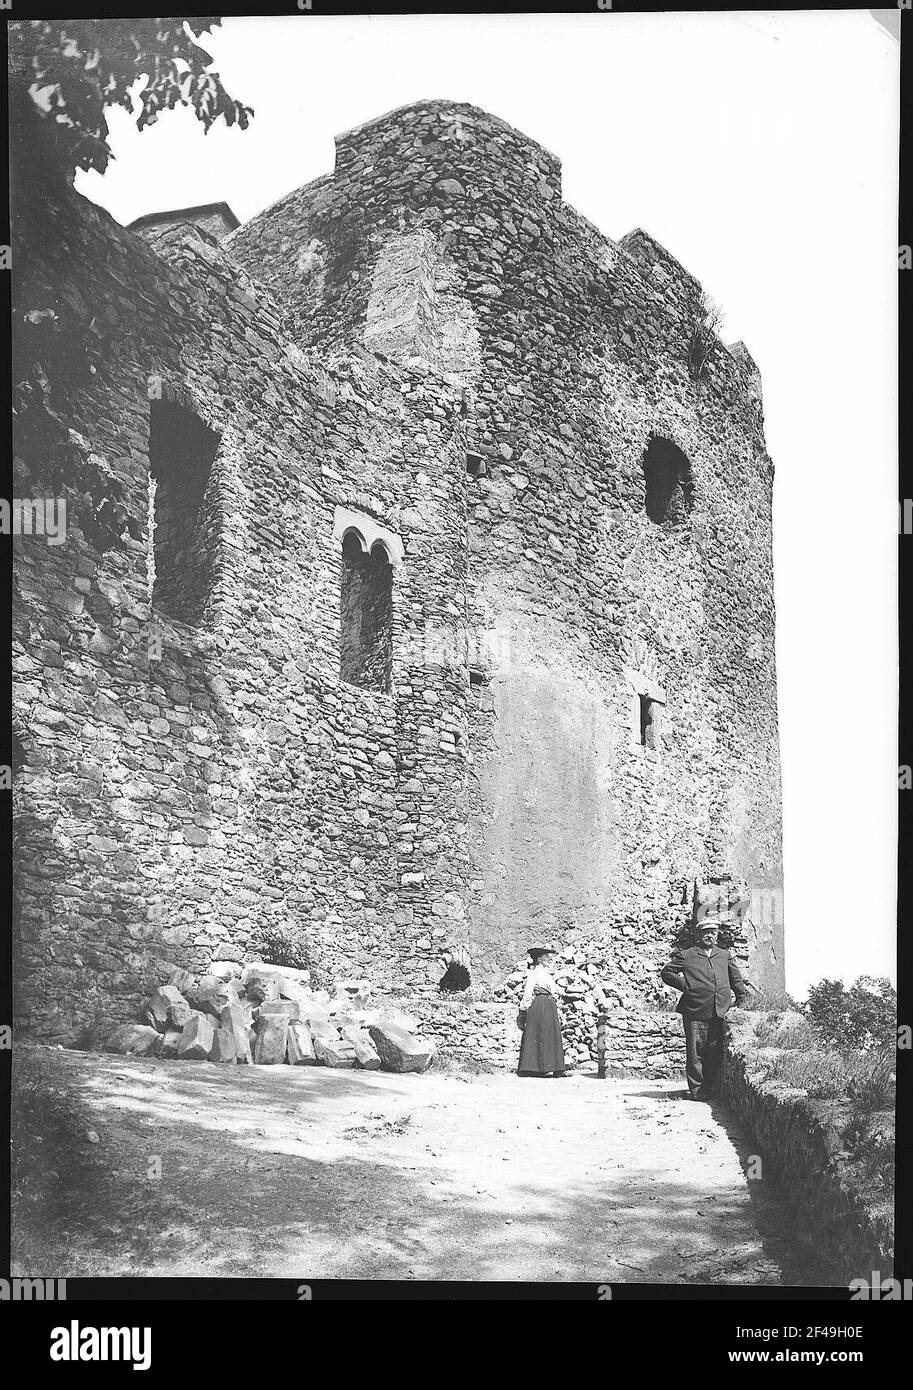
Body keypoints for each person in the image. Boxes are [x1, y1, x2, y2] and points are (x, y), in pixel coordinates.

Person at [660, 922, 749, 1100]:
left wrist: (741, 998)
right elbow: (667, 972)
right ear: (698, 934)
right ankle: (697, 1090)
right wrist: (687, 986)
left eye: (713, 933)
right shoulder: (687, 955)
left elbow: (736, 979)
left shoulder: (724, 955)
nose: (710, 936)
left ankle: (712, 1089)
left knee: (714, 1051)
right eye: (706, 932)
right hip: (695, 1010)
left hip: (720, 1010)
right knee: (695, 1052)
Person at [517, 946, 566, 1077]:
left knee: (552, 1034)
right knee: (539, 1034)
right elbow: (528, 992)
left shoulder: (546, 974)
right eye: (545, 956)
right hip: (539, 1004)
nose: (548, 958)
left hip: (550, 1004)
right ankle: (535, 1068)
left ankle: (557, 1068)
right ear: (539, 958)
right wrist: (524, 1009)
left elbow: (554, 990)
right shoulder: (533, 974)